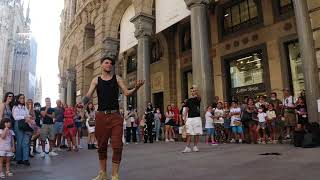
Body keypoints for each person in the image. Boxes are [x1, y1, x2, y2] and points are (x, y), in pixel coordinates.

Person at [82, 53, 144, 180]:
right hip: (101, 116)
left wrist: (136, 88)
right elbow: (88, 95)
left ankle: (115, 175)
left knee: (117, 146)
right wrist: (82, 103)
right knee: (102, 145)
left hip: (115, 116)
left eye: (110, 63)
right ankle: (102, 173)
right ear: (101, 65)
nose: (109, 64)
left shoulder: (117, 78)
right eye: (106, 62)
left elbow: (126, 93)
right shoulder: (96, 80)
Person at [12, 94, 32, 166]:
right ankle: (19, 159)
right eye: (21, 98)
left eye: (23, 98)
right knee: (19, 142)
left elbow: (28, 114)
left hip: (26, 125)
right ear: (18, 99)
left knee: (26, 142)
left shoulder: (24, 107)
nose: (22, 99)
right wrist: (24, 117)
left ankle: (25, 159)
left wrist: (28, 117)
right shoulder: (15, 107)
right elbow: (15, 117)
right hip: (18, 125)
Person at [182, 85, 203, 153]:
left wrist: (197, 90)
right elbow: (186, 109)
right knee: (188, 133)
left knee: (196, 133)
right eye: (192, 91)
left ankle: (195, 146)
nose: (193, 92)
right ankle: (187, 147)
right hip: (190, 119)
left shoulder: (198, 98)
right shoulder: (188, 100)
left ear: (196, 91)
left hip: (197, 118)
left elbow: (200, 98)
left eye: (194, 91)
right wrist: (184, 118)